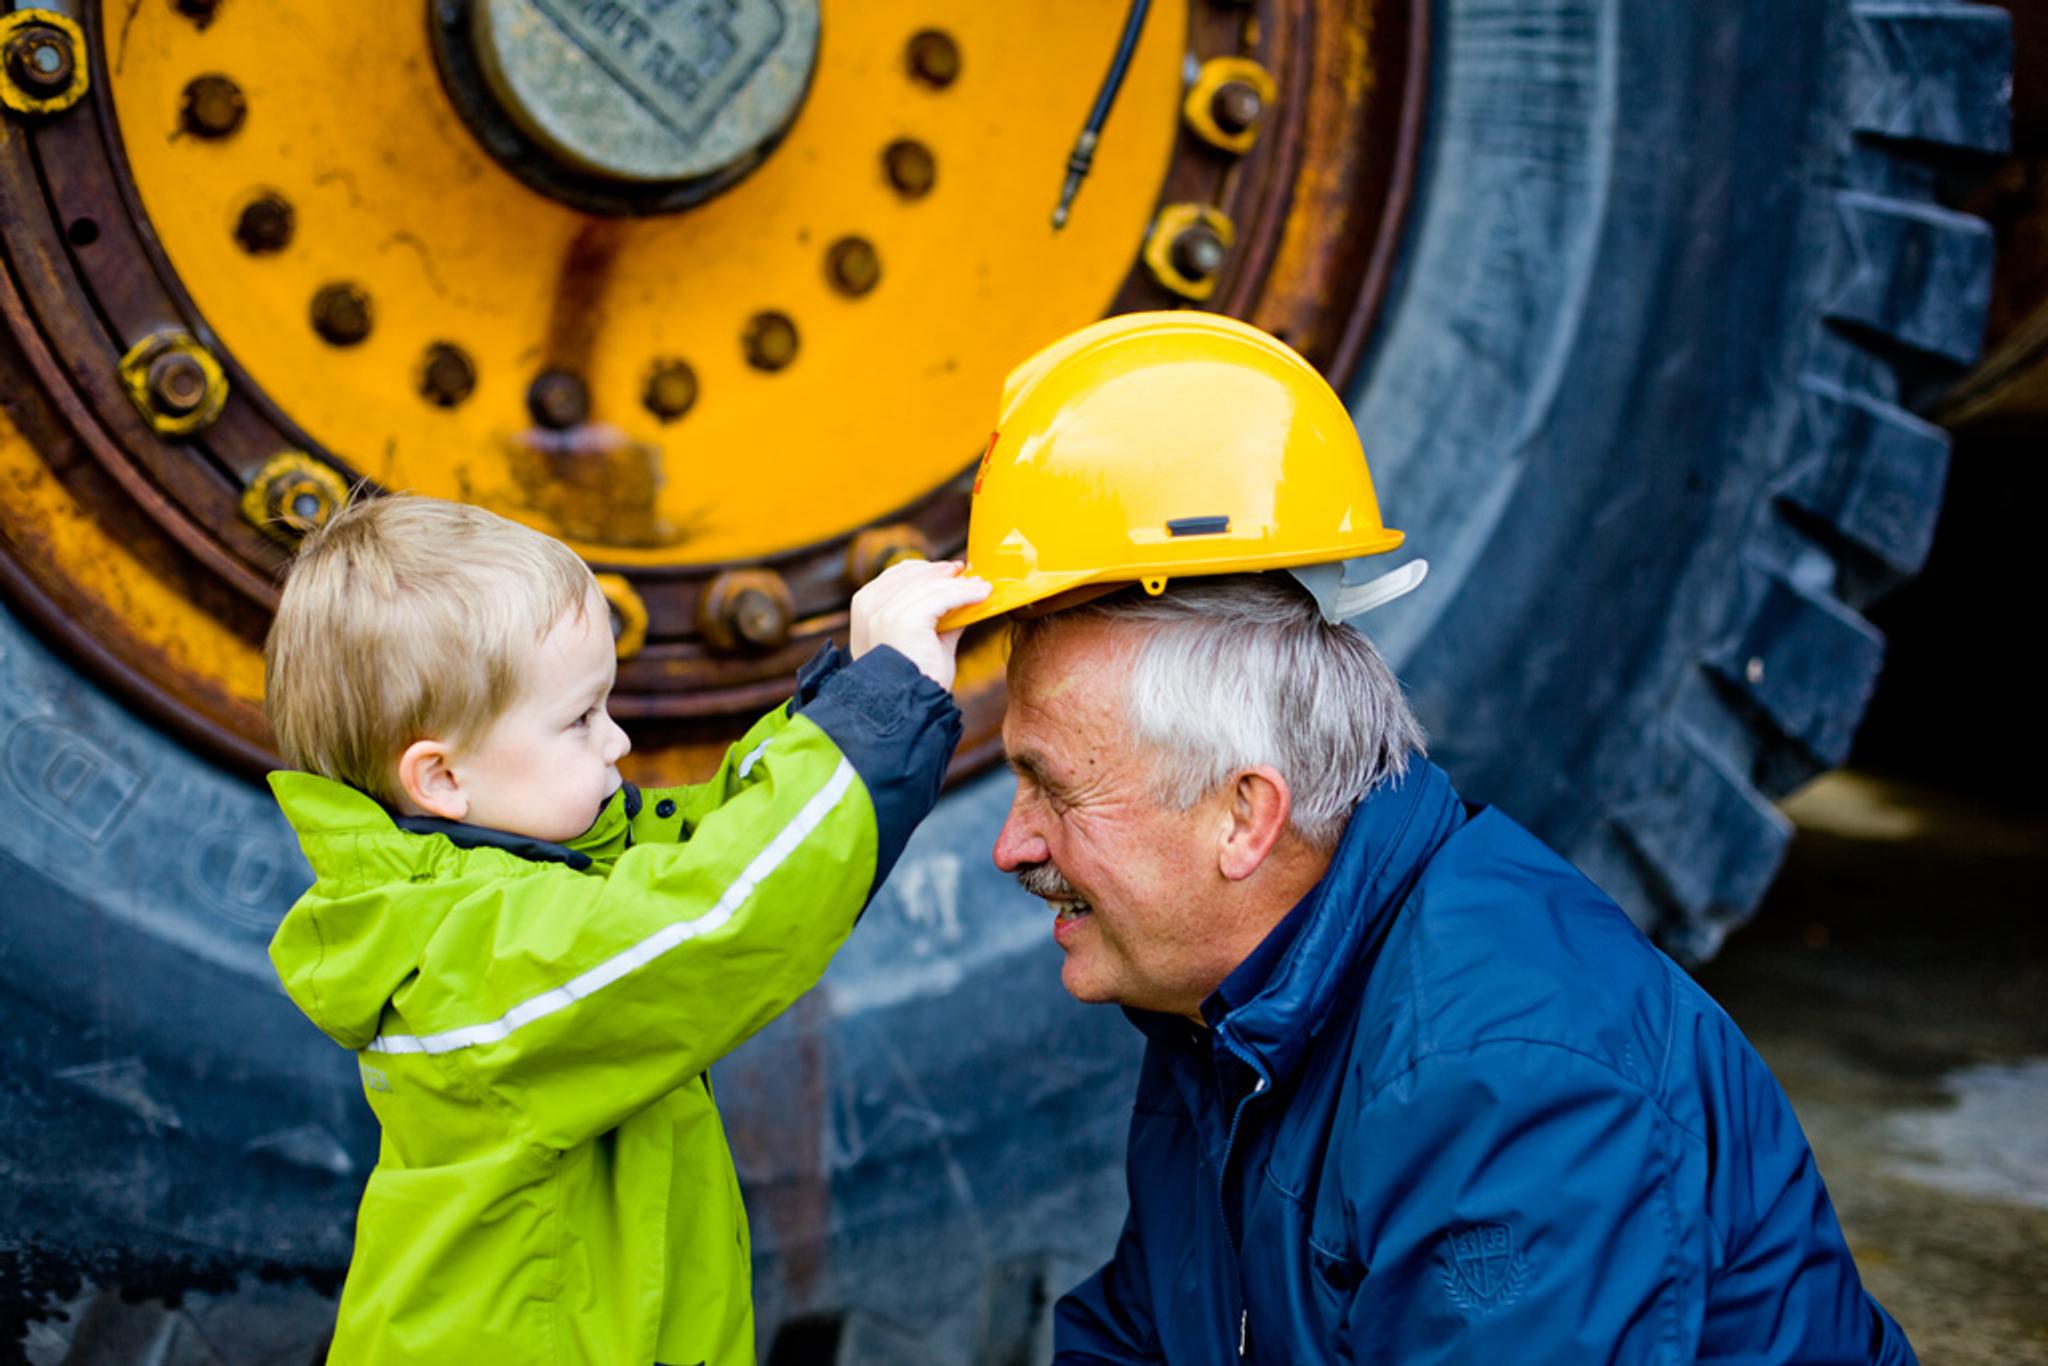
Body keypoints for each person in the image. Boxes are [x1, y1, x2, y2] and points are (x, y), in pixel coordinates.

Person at [941, 312, 1914, 1363]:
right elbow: (1139, 1339)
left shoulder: (1507, 1082)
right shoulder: (1230, 1012)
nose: (1010, 845)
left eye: (1051, 789)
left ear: (1243, 814)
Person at [261, 494, 986, 1365]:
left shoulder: (553, 877)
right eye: (579, 719)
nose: (619, 740)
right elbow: (717, 917)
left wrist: (854, 690)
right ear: (442, 777)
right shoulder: (470, 955)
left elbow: (713, 843)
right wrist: (883, 716)